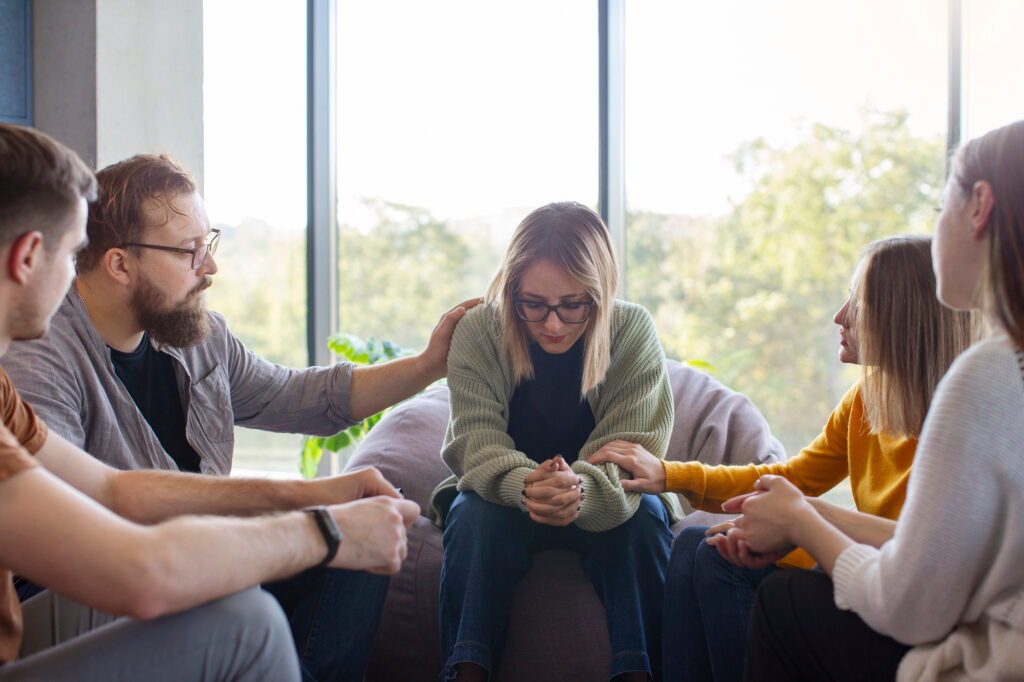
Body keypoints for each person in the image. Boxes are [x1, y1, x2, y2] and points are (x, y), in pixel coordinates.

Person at [0, 151, 476, 682]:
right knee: (249, 611)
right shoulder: (36, 358)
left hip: (154, 553)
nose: (211, 266)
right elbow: (103, 531)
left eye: (210, 244)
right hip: (79, 575)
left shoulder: (191, 333)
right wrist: (315, 529)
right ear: (118, 265)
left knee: (350, 528)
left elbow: (120, 487)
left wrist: (428, 365)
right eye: (189, 252)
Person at [589, 234, 981, 681]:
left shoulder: (963, 420)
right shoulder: (864, 404)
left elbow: (932, 553)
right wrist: (668, 475)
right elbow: (789, 477)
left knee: (719, 562)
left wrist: (801, 519)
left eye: (859, 303)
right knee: (698, 544)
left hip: (906, 598)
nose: (840, 316)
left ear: (901, 319)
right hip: (863, 571)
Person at [716, 119, 1024, 681]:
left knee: (784, 600)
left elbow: (909, 608)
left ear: (979, 206)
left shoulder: (988, 377)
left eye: (941, 207)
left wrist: (804, 522)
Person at [427, 201, 681, 681]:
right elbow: (474, 442)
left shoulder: (632, 331)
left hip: (606, 500)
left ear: (600, 293)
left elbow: (632, 451)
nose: (552, 323)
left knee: (644, 518)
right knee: (472, 515)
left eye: (573, 305)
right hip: (502, 499)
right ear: (510, 289)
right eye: (533, 304)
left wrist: (576, 491)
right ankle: (465, 672)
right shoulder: (481, 330)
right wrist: (526, 485)